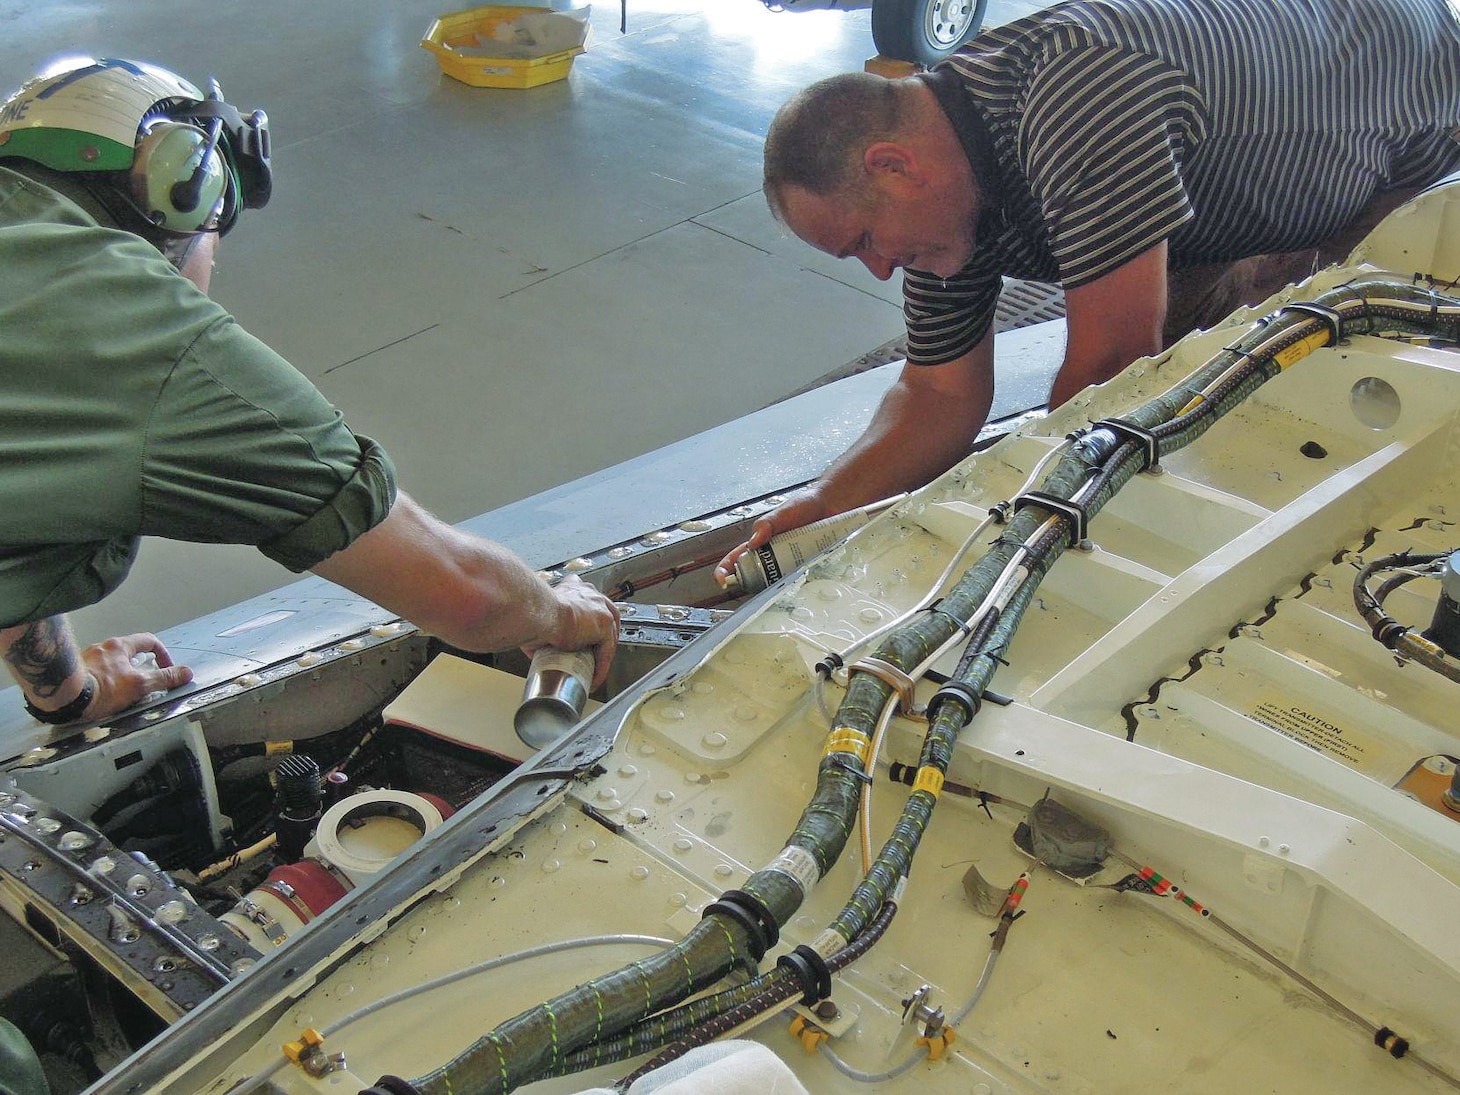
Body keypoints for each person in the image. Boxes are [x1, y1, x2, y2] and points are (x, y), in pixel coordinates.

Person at [717, 0, 1460, 583]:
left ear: (894, 167)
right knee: (1186, 377)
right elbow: (940, 393)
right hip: (1216, 171)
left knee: (1334, 359)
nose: (879, 269)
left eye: (864, 243)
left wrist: (1013, 529)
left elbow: (1108, 367)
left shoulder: (1076, 99)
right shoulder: (945, 192)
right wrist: (828, 505)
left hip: (1397, 86)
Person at [0, 57, 619, 726]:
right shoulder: (144, 341)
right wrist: (558, 611)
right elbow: (461, 593)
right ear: (182, 189)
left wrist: (68, 693)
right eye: (214, 234)